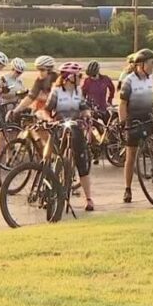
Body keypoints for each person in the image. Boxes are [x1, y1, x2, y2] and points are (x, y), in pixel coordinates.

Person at [119, 49, 153, 203]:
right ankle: (127, 189)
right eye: (151, 63)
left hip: (148, 115)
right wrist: (123, 123)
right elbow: (122, 104)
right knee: (131, 155)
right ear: (141, 64)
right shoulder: (129, 80)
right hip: (134, 119)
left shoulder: (151, 78)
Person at [41, 62, 95, 211]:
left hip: (76, 129)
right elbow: (46, 110)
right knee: (52, 161)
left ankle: (89, 199)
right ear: (70, 77)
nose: (81, 78)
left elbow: (84, 108)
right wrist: (50, 120)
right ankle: (48, 193)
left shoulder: (78, 91)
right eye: (79, 76)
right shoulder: (56, 91)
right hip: (59, 128)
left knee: (82, 164)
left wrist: (88, 116)